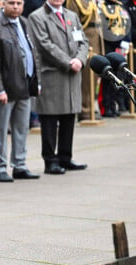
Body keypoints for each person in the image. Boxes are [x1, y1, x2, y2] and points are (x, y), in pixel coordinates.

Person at [0, 0, 41, 182]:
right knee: (0, 129)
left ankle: (20, 164)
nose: (15, 6)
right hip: (6, 87)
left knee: (22, 128)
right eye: (11, 2)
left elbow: (32, 53)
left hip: (25, 84)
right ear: (3, 4)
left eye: (19, 3)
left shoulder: (24, 23)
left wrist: (36, 82)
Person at [28, 0, 88, 174]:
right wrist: (68, 62)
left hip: (72, 75)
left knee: (69, 117)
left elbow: (83, 41)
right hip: (53, 74)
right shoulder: (37, 17)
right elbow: (44, 45)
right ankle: (50, 160)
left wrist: (80, 60)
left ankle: (65, 157)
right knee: (50, 119)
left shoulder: (71, 16)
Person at [66, 0, 103, 121]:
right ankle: (84, 109)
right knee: (86, 78)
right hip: (85, 38)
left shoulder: (92, 1)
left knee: (93, 77)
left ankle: (91, 106)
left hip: (96, 39)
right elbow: (73, 22)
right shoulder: (74, 2)